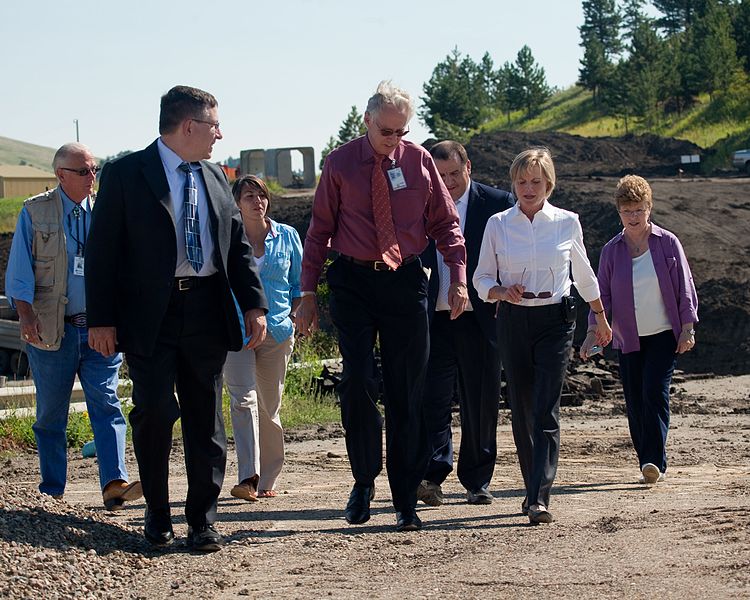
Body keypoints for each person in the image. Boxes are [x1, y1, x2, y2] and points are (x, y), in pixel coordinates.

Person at [85, 86, 268, 552]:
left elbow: (236, 246)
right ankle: (158, 515)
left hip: (206, 307)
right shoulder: (126, 174)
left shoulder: (215, 175)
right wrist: (101, 321)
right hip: (151, 315)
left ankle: (202, 520)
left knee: (205, 416)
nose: (219, 134)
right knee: (155, 412)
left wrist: (253, 304)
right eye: (213, 125)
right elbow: (103, 251)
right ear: (188, 126)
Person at [296, 80, 468, 532]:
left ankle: (405, 495)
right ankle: (363, 481)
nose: (395, 141)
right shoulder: (339, 164)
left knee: (407, 390)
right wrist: (308, 293)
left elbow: (446, 223)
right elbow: (318, 232)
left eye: (401, 132)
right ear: (367, 121)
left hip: (406, 281)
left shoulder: (419, 161)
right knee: (357, 383)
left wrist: (459, 278)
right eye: (387, 131)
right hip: (352, 281)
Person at [473, 147, 612, 525]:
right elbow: (481, 278)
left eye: (536, 181)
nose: (528, 188)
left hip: (556, 320)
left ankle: (538, 497)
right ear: (514, 183)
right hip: (514, 321)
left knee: (546, 408)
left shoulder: (567, 222)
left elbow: (583, 275)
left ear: (548, 183)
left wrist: (598, 316)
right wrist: (500, 291)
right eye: (522, 181)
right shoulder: (498, 224)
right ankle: (531, 486)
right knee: (522, 408)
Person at [5, 143, 142, 510]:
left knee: (107, 403)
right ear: (60, 175)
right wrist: (26, 314)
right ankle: (52, 491)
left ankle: (114, 481)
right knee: (51, 414)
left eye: (94, 170)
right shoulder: (35, 212)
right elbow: (19, 272)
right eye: (83, 171)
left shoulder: (106, 212)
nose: (91, 178)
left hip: (100, 330)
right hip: (53, 331)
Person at [580, 175, 698, 485]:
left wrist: (687, 327)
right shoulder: (611, 250)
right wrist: (594, 332)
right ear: (618, 211)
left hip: (662, 334)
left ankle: (652, 460)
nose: (633, 217)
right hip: (626, 337)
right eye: (627, 210)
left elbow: (684, 288)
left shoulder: (667, 243)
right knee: (634, 400)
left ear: (649, 208)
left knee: (653, 392)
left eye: (639, 210)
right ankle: (647, 457)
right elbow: (601, 295)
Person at [417, 141, 514, 507]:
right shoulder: (419, 203)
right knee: (433, 400)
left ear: (468, 167)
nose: (448, 182)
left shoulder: (497, 204)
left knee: (481, 401)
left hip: (481, 319)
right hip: (434, 319)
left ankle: (477, 480)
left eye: (454, 174)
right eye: (440, 176)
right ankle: (432, 474)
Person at [224, 175, 302, 502]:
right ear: (236, 203)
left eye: (261, 196)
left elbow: (298, 286)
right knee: (243, 400)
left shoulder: (288, 236)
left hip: (278, 331)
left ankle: (269, 474)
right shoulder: (227, 237)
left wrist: (295, 317)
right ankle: (248, 477)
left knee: (269, 406)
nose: (257, 202)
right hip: (235, 330)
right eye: (249, 197)